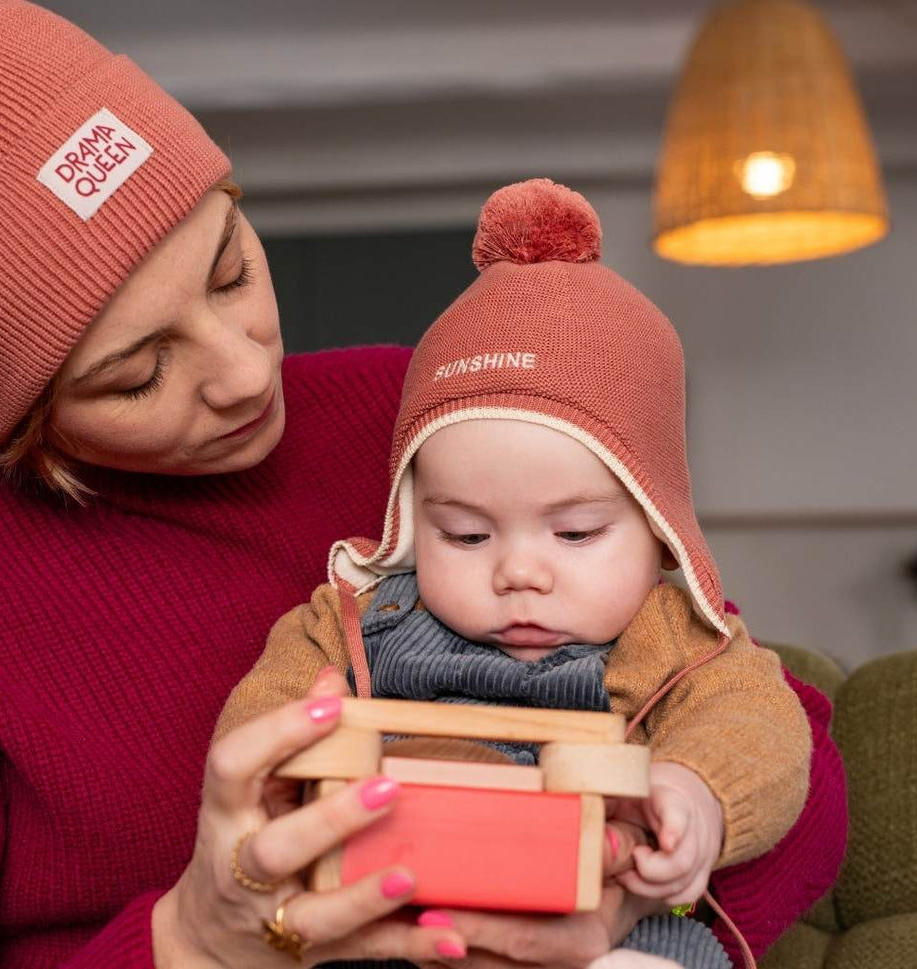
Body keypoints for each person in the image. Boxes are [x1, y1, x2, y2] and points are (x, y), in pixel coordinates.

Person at [0, 2, 846, 968]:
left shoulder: (435, 421)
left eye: (229, 270)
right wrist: (193, 941)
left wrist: (615, 906)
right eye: (135, 373)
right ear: (18, 423)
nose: (242, 370)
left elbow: (763, 718)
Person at [214, 179, 813, 969]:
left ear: (660, 529)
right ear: (409, 516)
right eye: (464, 533)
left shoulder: (675, 636)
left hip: (607, 924)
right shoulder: (350, 622)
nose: (519, 571)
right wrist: (283, 781)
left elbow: (759, 723)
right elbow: (262, 724)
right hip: (388, 912)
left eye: (575, 531)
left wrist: (695, 792)